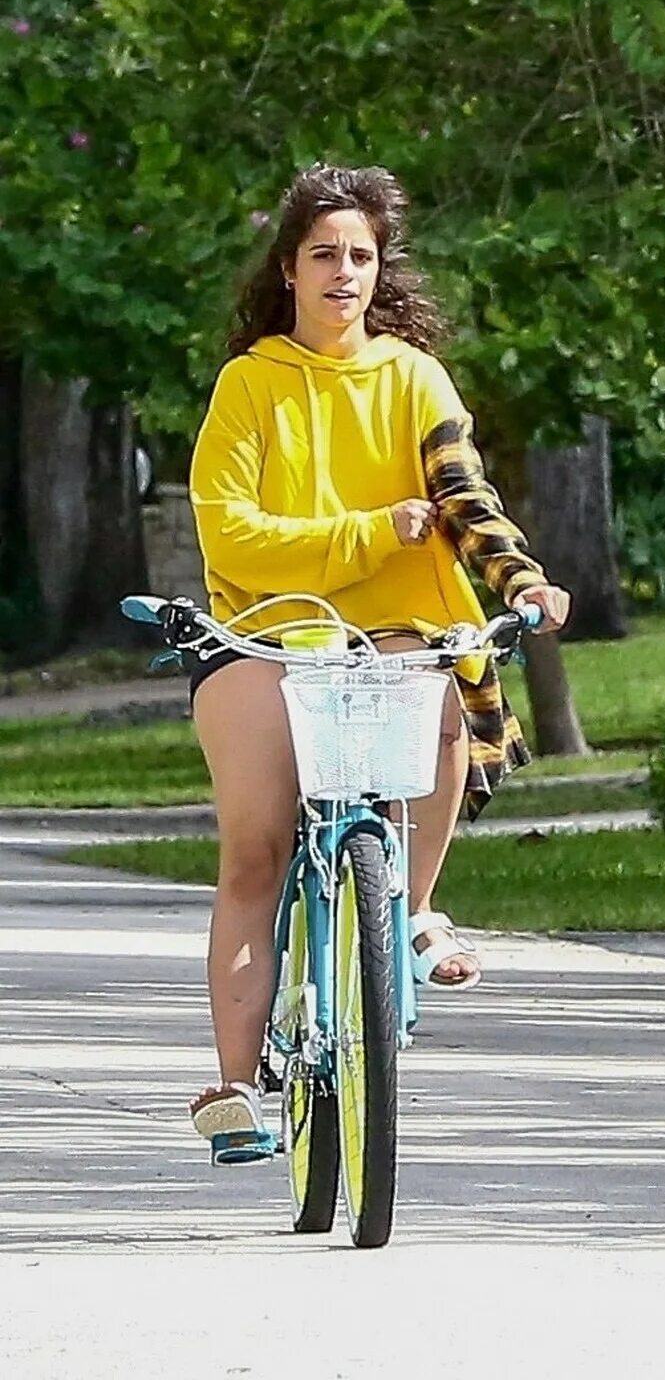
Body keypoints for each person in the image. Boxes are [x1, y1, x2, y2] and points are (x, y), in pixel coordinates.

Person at [182, 164, 572, 1161]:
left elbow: (464, 496)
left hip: (395, 633)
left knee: (442, 696)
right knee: (258, 849)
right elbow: (233, 540)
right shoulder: (249, 384)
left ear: (377, 270)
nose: (344, 273)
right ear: (288, 271)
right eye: (324, 256)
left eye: (361, 256)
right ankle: (233, 1088)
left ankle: (411, 906)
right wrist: (367, 533)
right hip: (262, 633)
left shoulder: (413, 377)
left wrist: (522, 580)